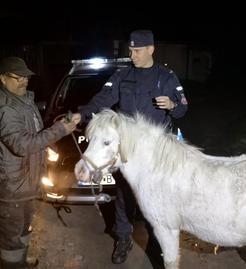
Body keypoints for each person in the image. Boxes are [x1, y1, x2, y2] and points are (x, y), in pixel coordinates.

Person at [77, 30, 188, 265]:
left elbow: (183, 109)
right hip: (128, 151)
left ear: (151, 49)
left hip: (156, 154)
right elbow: (102, 100)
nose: (132, 55)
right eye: (130, 50)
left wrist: (172, 104)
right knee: (124, 197)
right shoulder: (122, 75)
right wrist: (81, 114)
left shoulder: (166, 77)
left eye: (137, 51)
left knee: (157, 199)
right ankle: (123, 239)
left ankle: (158, 243)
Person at [0, 56, 80, 269]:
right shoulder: (6, 109)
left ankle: (21, 261)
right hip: (13, 185)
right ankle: (12, 266)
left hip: (26, 181)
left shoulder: (23, 100)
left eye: (25, 77)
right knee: (12, 236)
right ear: (2, 78)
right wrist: (59, 130)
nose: (23, 81)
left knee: (25, 228)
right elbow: (21, 145)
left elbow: (32, 134)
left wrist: (46, 146)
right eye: (17, 77)